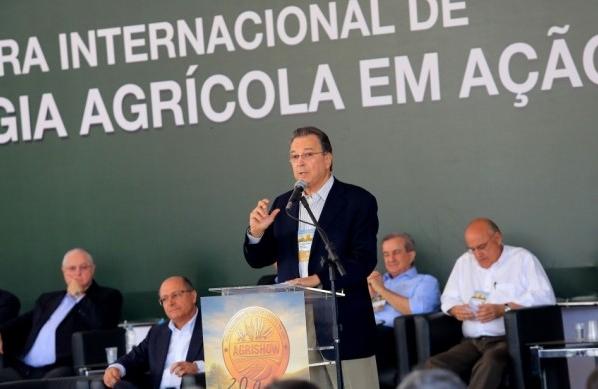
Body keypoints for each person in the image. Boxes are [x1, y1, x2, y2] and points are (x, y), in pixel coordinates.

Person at [244, 126, 379, 388]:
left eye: (307, 154)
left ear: (328, 159)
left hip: (343, 322)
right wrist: (256, 233)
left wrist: (317, 279)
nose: (300, 162)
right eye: (294, 157)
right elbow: (258, 258)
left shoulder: (357, 200)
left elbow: (364, 259)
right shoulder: (284, 204)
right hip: (293, 324)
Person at [425, 218, 556, 389]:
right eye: (472, 249)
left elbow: (545, 297)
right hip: (471, 342)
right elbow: (448, 298)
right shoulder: (464, 263)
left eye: (482, 247)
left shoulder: (522, 259)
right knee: (433, 366)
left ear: (497, 238)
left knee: (490, 362)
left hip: (506, 340)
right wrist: (456, 309)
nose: (478, 254)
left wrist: (504, 309)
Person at [0, 248, 122, 381]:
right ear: (63, 272)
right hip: (23, 368)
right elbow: (22, 322)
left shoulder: (108, 296)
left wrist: (80, 296)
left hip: (60, 368)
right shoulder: (48, 299)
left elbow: (103, 323)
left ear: (93, 269)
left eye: (83, 267)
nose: (77, 273)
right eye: (72, 268)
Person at [103, 276, 204, 389]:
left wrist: (197, 367)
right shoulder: (157, 332)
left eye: (175, 295)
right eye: (164, 299)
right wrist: (116, 368)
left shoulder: (213, 325)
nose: (170, 303)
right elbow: (135, 357)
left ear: (193, 296)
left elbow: (226, 363)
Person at [368, 233, 440, 327]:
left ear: (411, 256)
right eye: (386, 254)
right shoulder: (379, 281)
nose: (391, 259)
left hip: (391, 335)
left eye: (396, 252)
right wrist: (372, 295)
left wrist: (382, 290)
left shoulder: (426, 281)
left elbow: (419, 311)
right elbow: (375, 309)